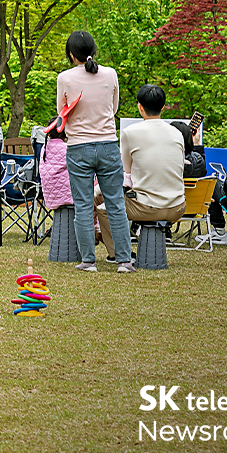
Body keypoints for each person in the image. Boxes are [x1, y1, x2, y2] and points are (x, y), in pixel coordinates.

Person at [57, 30, 133, 273]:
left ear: (71, 54)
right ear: (94, 50)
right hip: (108, 145)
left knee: (82, 205)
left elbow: (62, 112)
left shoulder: (64, 78)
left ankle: (89, 261)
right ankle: (124, 261)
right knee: (116, 204)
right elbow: (114, 107)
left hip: (78, 147)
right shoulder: (110, 74)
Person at [94, 85, 186, 261]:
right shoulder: (177, 133)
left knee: (103, 209)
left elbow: (125, 172)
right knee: (100, 196)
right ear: (163, 106)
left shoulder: (130, 132)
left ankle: (118, 253)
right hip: (178, 207)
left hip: (146, 207)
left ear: (140, 107)